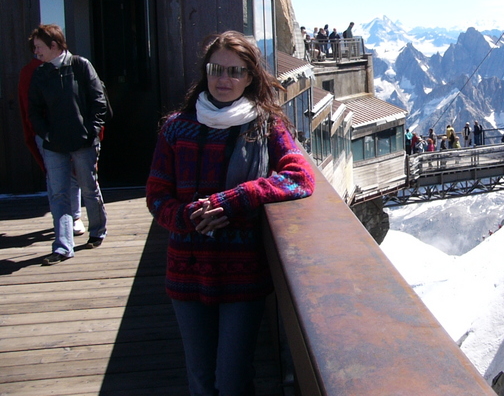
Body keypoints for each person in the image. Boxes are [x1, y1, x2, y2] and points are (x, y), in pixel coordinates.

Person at [146, 30, 315, 396]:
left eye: (235, 71)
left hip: (241, 273)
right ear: (205, 72)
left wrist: (236, 198)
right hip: (186, 271)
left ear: (251, 77)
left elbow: (300, 178)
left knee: (233, 380)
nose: (224, 79)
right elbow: (156, 196)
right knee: (202, 380)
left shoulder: (267, 125)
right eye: (216, 69)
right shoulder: (176, 127)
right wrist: (189, 215)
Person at [27, 24, 108, 265]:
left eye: (39, 47)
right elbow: (34, 111)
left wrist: (91, 131)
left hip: (83, 142)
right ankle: (63, 246)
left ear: (54, 46)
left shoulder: (80, 66)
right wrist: (46, 135)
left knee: (88, 188)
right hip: (54, 145)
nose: (36, 53)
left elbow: (98, 101)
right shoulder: (40, 73)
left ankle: (97, 231)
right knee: (58, 194)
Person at [19, 55, 84, 236]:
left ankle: (75, 217)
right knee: (54, 178)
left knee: (72, 173)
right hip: (47, 133)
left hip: (70, 129)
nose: (39, 51)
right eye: (36, 47)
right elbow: (29, 106)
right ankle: (61, 223)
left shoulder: (73, 65)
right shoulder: (30, 71)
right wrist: (42, 132)